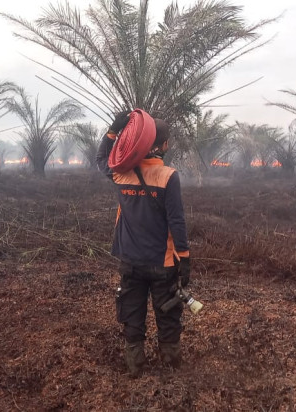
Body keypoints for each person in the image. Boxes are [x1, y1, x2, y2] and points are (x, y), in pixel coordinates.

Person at [96, 111, 191, 377]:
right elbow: (177, 221)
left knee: (132, 313)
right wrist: (184, 258)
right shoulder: (168, 176)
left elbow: (101, 158)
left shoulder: (120, 173)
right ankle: (171, 366)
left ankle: (135, 366)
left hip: (130, 262)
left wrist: (114, 131)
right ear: (163, 145)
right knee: (168, 315)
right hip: (162, 263)